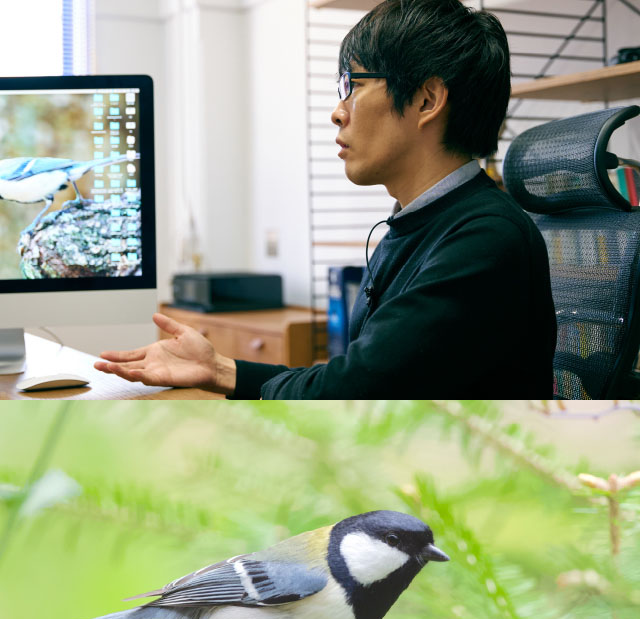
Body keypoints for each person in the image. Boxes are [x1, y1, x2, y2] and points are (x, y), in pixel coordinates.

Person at [95, 0, 557, 399]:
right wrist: (218, 369)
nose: (338, 112)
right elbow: (361, 375)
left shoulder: (485, 240)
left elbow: (355, 389)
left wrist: (225, 373)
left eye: (353, 85)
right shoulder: (421, 223)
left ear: (426, 100)